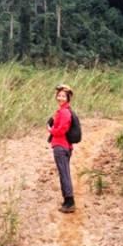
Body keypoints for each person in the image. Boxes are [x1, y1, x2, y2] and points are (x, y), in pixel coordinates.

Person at [48, 83, 76, 213]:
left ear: (68, 98)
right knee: (65, 173)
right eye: (59, 95)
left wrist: (50, 130)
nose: (60, 98)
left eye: (63, 96)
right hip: (64, 146)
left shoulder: (64, 112)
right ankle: (67, 200)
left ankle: (69, 202)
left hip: (61, 146)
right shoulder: (63, 111)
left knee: (64, 174)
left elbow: (61, 130)